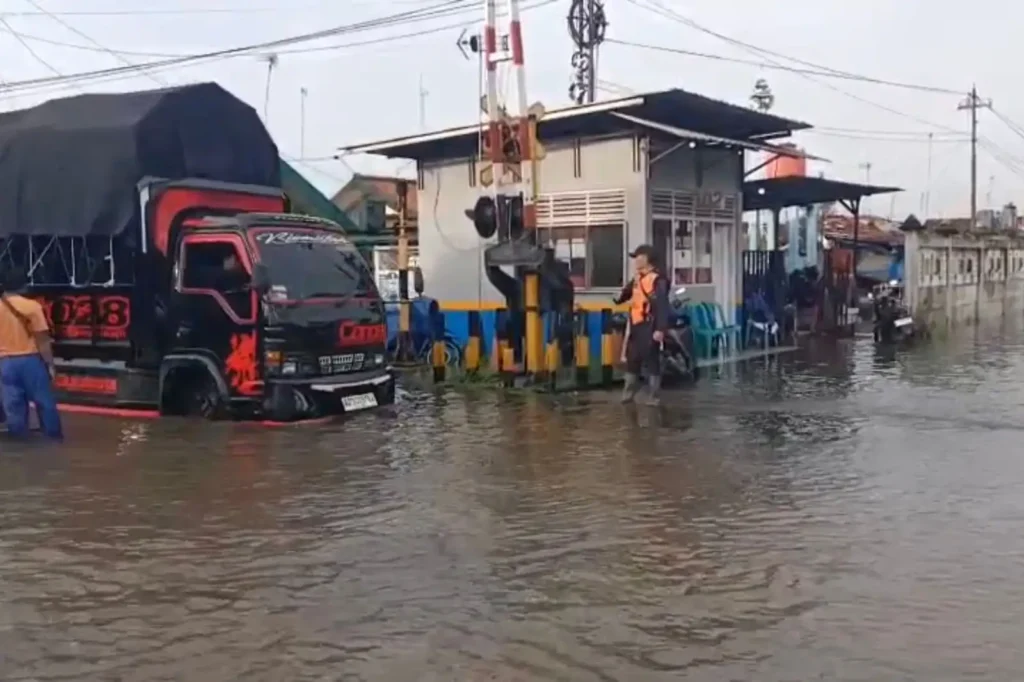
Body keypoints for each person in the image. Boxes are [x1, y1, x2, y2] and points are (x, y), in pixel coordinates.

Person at [0, 267, 62, 439]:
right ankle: (53, 441)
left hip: (4, 363)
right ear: (25, 286)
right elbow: (42, 341)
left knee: (13, 406)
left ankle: (19, 445)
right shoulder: (32, 307)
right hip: (30, 361)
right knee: (44, 402)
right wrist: (50, 364)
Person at [613, 244, 670, 405]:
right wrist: (618, 298)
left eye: (638, 257)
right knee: (633, 359)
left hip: (650, 325)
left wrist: (660, 329)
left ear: (647, 259)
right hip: (636, 325)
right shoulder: (637, 278)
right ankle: (628, 394)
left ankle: (653, 396)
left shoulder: (658, 280)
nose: (635, 261)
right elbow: (625, 295)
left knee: (651, 360)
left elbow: (662, 305)